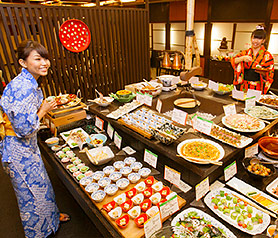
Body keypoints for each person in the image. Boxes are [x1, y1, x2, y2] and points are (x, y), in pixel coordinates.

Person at [0, 40, 69, 238]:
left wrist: (43, 109)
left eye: (45, 58)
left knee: (42, 185)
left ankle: (52, 220)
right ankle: (39, 233)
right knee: (29, 195)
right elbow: (23, 128)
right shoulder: (23, 87)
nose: (44, 63)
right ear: (23, 62)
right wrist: (43, 111)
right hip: (18, 149)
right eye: (37, 59)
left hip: (27, 147)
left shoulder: (29, 82)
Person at [230, 25, 274, 94]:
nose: (256, 41)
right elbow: (233, 61)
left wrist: (262, 72)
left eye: (259, 39)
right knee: (242, 103)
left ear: (263, 41)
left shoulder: (267, 56)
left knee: (254, 103)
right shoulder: (246, 52)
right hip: (245, 85)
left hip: (258, 86)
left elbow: (270, 73)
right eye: (254, 38)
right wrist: (242, 58)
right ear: (251, 38)